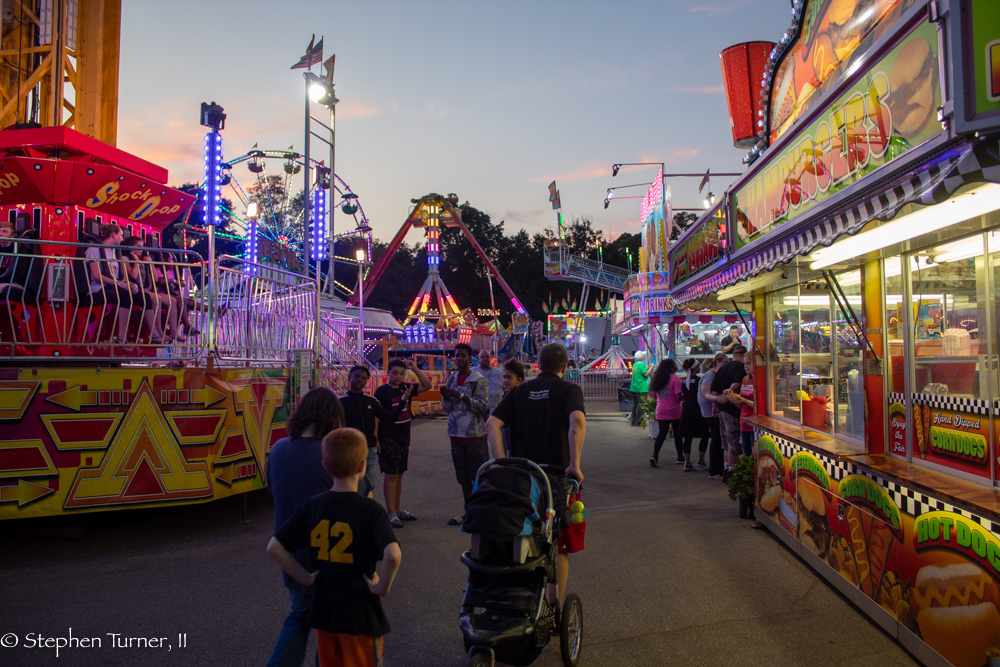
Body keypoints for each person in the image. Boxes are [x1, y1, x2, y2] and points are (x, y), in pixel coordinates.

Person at [267, 428, 402, 667]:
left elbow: (275, 547)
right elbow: (392, 554)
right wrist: (382, 587)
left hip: (324, 609)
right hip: (360, 611)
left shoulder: (312, 506)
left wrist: (306, 578)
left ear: (325, 465)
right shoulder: (370, 510)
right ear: (362, 467)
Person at [487, 342, 585, 605]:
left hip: (523, 479)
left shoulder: (518, 392)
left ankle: (521, 595)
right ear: (565, 367)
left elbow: (492, 424)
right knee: (559, 543)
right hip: (557, 480)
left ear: (537, 365)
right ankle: (554, 606)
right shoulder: (569, 389)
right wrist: (574, 465)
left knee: (524, 531)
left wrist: (502, 462)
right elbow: (576, 421)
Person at [265, 387, 345, 667]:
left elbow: (271, 488)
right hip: (331, 551)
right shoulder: (330, 455)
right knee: (332, 625)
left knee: (299, 614)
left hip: (290, 550)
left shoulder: (279, 449)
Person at [373, 358, 431, 528]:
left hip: (404, 437)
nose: (398, 377)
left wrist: (415, 369)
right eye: (394, 373)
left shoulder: (407, 388)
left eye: (401, 373)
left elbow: (427, 385)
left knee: (399, 475)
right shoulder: (382, 392)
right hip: (388, 438)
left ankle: (397, 509)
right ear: (388, 373)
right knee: (391, 475)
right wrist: (376, 439)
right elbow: (376, 417)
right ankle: (391, 512)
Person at [340, 365, 410, 498]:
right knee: (349, 486)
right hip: (349, 451)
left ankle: (365, 516)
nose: (360, 380)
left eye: (364, 378)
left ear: (367, 381)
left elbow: (389, 419)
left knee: (368, 487)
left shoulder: (371, 401)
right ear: (349, 377)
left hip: (369, 450)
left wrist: (403, 402)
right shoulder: (340, 402)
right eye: (357, 376)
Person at [441, 343, 490, 526]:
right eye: (456, 356)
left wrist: (461, 396)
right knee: (462, 475)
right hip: (455, 433)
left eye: (462, 355)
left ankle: (480, 511)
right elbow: (448, 409)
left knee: (477, 474)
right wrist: (446, 397)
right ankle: (468, 510)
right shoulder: (452, 379)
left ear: (470, 358)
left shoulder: (478, 380)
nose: (458, 359)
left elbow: (483, 407)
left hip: (474, 434)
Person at [83, 224, 150, 346]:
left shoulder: (114, 252)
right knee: (125, 294)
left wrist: (127, 284)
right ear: (113, 235)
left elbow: (118, 276)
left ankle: (154, 334)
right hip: (97, 288)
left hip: (113, 285)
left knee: (143, 297)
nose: (122, 239)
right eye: (120, 235)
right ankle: (121, 336)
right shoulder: (94, 249)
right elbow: (96, 276)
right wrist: (121, 284)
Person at [711, 344, 749, 479]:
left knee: (726, 445)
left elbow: (714, 390)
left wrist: (715, 405)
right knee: (734, 445)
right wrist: (730, 396)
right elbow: (735, 386)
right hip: (733, 410)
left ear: (733, 355)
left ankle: (726, 470)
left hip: (721, 410)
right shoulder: (740, 368)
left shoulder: (723, 368)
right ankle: (732, 476)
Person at [648, 358, 684, 468]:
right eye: (674, 365)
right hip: (674, 410)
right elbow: (678, 397)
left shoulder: (658, 379)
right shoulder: (675, 379)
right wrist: (685, 396)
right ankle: (680, 457)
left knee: (662, 433)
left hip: (661, 410)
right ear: (671, 368)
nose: (676, 367)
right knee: (677, 434)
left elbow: (654, 396)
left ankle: (655, 455)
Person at [699, 353, 729, 480]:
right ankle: (714, 470)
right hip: (710, 410)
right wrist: (717, 399)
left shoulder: (717, 374)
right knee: (716, 438)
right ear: (717, 361)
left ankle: (717, 469)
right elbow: (706, 394)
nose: (727, 365)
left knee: (717, 438)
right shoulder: (710, 375)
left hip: (713, 408)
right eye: (725, 362)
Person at [680, 358, 710, 470]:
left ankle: (686, 462)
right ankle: (700, 459)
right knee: (705, 434)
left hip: (686, 411)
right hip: (698, 411)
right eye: (698, 366)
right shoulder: (699, 381)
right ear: (694, 368)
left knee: (688, 437)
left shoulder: (683, 381)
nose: (699, 367)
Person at [729, 355, 757, 457]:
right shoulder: (745, 379)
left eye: (749, 364)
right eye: (745, 364)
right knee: (746, 454)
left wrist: (744, 400)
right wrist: (735, 400)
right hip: (743, 421)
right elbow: (742, 405)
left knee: (754, 455)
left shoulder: (761, 380)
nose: (745, 366)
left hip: (755, 423)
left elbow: (761, 406)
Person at [500, 358, 526, 453]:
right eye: (504, 377)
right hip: (510, 440)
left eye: (509, 377)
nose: (505, 380)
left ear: (519, 380)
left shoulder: (523, 395)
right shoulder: (507, 394)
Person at [628, 350, 653, 426]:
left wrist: (648, 368)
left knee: (634, 405)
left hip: (634, 387)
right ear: (641, 357)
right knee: (641, 405)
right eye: (643, 355)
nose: (644, 356)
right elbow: (646, 374)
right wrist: (651, 367)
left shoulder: (635, 364)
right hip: (641, 388)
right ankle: (638, 421)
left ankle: (633, 421)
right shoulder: (641, 364)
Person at [477, 349, 504, 414]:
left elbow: (505, 389)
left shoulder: (499, 373)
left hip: (496, 411)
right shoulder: (473, 372)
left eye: (487, 357)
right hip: (478, 412)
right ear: (478, 359)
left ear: (490, 358)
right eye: (482, 357)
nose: (485, 358)